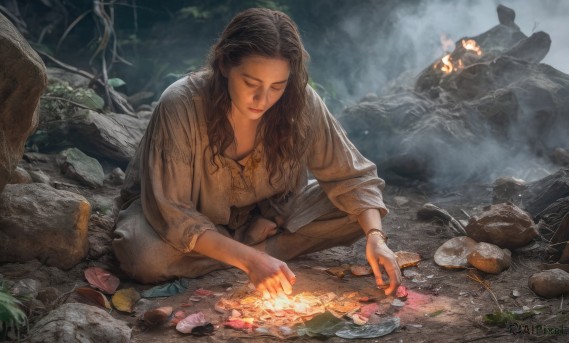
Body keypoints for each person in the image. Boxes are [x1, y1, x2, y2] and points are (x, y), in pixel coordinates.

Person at [113, 7, 401, 299]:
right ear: (224, 64)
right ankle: (254, 252)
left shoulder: (299, 102)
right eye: (251, 83)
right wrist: (251, 260)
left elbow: (353, 177)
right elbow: (173, 212)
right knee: (143, 256)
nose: (263, 100)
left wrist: (376, 238)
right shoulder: (181, 104)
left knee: (357, 211)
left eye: (277, 86)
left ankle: (244, 249)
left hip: (268, 212)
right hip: (186, 217)